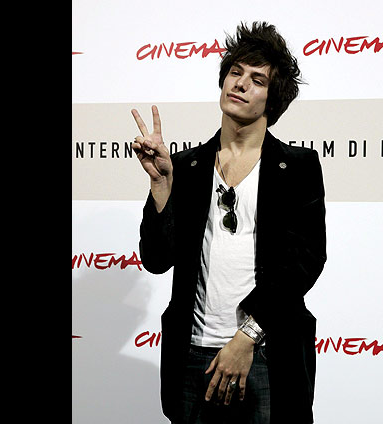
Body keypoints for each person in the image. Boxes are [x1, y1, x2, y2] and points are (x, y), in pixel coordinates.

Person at [131, 21, 326, 424]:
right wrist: (161, 186)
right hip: (192, 354)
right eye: (235, 72)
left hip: (266, 351)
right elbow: (157, 259)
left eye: (257, 79)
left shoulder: (298, 168)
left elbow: (304, 262)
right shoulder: (186, 166)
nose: (240, 83)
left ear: (273, 99)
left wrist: (246, 337)